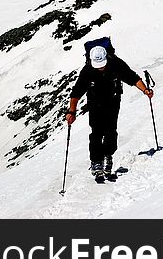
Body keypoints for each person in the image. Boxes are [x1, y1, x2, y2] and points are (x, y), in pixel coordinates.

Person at [65, 43, 153, 178]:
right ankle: (96, 161)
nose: (100, 68)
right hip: (95, 103)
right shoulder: (88, 70)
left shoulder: (116, 64)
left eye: (102, 65)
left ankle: (108, 156)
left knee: (111, 130)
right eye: (98, 66)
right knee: (96, 131)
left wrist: (145, 90)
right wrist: (72, 112)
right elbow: (77, 92)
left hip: (113, 101)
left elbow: (132, 77)